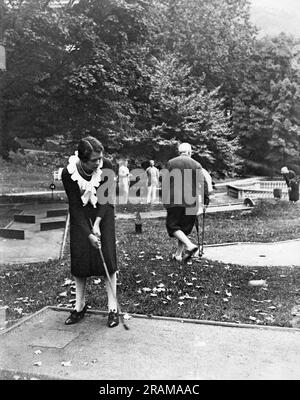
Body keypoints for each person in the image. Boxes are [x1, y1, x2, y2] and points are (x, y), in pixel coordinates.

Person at [62, 136, 119, 328]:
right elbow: (75, 207)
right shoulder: (68, 173)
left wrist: (97, 225)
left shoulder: (107, 166)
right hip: (81, 216)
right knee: (80, 260)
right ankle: (80, 306)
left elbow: (106, 198)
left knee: (108, 260)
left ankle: (112, 309)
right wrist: (88, 233)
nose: (99, 162)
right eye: (94, 160)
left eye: (100, 158)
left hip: (104, 213)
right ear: (83, 159)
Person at [162, 142, 208, 262]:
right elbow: (203, 183)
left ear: (179, 152)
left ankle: (189, 246)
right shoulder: (196, 164)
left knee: (172, 226)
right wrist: (205, 200)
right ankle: (178, 254)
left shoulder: (171, 163)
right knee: (184, 228)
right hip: (191, 201)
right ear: (189, 152)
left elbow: (165, 182)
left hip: (174, 200)